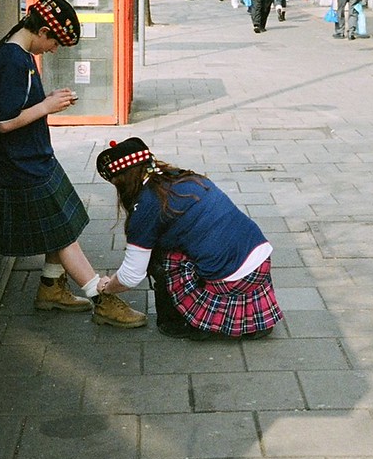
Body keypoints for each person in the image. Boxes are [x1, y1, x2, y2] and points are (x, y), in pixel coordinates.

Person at [0, 0, 147, 329]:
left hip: (35, 158)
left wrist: (45, 102)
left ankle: (51, 287)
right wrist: (47, 106)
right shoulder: (12, 61)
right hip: (24, 165)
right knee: (63, 235)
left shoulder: (19, 53)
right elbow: (3, 122)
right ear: (42, 30)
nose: (54, 49)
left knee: (65, 224)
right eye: (54, 41)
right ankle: (100, 299)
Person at [94, 138, 283, 340]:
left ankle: (183, 322)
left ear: (122, 180)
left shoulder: (146, 207)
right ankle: (252, 320)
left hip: (230, 275)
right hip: (260, 261)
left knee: (160, 257)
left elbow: (131, 275)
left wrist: (107, 287)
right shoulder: (184, 178)